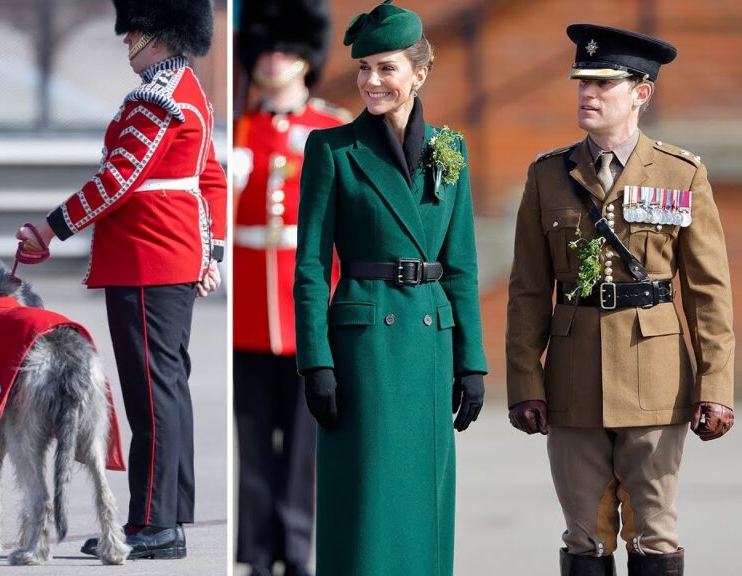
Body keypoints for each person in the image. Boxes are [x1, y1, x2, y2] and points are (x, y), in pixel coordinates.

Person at [506, 24, 734, 576]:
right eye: (582, 82)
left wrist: (717, 386)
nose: (588, 93)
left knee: (655, 531)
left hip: (655, 376)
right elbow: (529, 292)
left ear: (641, 93)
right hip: (573, 378)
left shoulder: (681, 173)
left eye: (604, 83)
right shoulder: (547, 176)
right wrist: (524, 384)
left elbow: (709, 292)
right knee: (584, 534)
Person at [15, 0, 227, 560]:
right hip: (169, 258)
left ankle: (154, 522)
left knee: (151, 398)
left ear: (153, 32)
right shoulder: (187, 89)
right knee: (169, 391)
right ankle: (170, 514)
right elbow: (211, 180)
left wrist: (50, 228)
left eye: (133, 28)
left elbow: (118, 181)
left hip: (146, 260)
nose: (125, 37)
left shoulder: (158, 98)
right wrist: (212, 253)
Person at [293, 2, 487, 574]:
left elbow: (463, 267)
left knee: (423, 504)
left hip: (429, 344)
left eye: (386, 68)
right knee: (367, 503)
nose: (370, 81)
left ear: (419, 73)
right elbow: (309, 267)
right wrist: (315, 363)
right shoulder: (332, 150)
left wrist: (471, 361)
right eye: (364, 68)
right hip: (364, 350)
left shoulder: (450, 151)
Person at [232, 1, 349, 575]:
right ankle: (255, 551)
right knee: (252, 445)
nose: (273, 60)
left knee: (305, 449)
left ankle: (297, 550)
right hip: (249, 307)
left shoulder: (332, 128)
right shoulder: (237, 131)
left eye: (284, 50)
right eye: (266, 50)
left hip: (309, 308)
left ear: (305, 59)